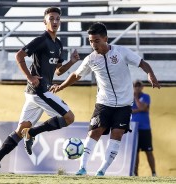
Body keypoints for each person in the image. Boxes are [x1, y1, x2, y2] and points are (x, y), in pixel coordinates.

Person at [50, 22, 160, 176]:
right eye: (90, 41)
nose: (93, 44)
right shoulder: (91, 59)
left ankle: (102, 171)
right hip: (104, 102)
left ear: (105, 39)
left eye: (96, 41)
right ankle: (82, 168)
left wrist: (151, 74)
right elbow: (76, 75)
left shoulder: (121, 52)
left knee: (117, 134)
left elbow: (142, 63)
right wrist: (61, 86)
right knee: (95, 132)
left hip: (124, 104)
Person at [0, 7, 80, 173]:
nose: (55, 21)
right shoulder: (41, 40)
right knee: (69, 117)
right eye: (51, 18)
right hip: (39, 91)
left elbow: (57, 70)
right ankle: (33, 133)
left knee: (20, 130)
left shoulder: (58, 44)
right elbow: (19, 56)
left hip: (34, 93)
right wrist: (30, 77)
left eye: (57, 18)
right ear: (45, 21)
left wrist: (71, 62)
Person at [131, 80, 157, 177]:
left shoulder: (146, 97)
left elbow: (142, 107)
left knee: (148, 151)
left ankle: (153, 172)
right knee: (135, 152)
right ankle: (135, 173)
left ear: (142, 87)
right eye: (135, 86)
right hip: (134, 129)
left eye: (139, 86)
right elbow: (129, 110)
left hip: (145, 128)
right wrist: (138, 110)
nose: (137, 88)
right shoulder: (129, 97)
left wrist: (136, 97)